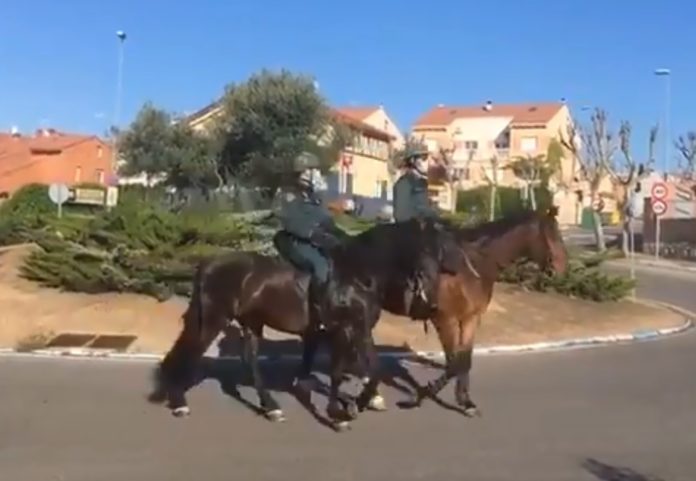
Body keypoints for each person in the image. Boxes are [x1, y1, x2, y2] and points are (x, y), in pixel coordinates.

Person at [392, 145, 468, 316]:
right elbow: (401, 214)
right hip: (409, 230)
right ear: (412, 161)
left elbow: (425, 208)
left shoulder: (421, 182)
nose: (426, 162)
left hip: (425, 227)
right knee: (426, 258)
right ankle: (423, 295)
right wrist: (421, 222)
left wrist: (439, 218)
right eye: (422, 159)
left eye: (426, 158)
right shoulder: (403, 183)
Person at [273, 152, 347, 323]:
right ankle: (319, 315)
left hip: (314, 240)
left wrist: (341, 236)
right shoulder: (287, 193)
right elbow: (290, 222)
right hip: (294, 241)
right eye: (314, 171)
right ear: (304, 172)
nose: (318, 175)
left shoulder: (314, 195)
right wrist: (313, 234)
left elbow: (325, 219)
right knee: (320, 266)